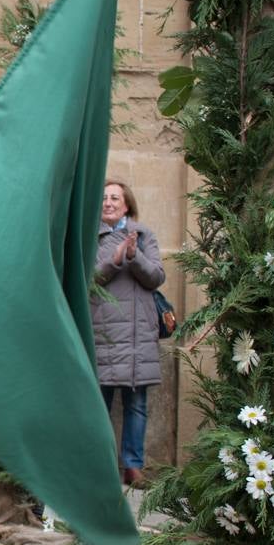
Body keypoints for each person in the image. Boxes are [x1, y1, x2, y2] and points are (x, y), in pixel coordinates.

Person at [92, 179, 165, 488]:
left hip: (137, 335)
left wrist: (134, 256)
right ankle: (101, 465)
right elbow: (88, 279)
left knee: (136, 404)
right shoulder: (90, 237)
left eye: (115, 198)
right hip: (104, 331)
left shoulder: (144, 234)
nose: (108, 202)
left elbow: (157, 277)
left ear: (126, 204)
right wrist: (115, 258)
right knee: (100, 404)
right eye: (104, 197)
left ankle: (133, 466)